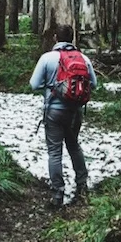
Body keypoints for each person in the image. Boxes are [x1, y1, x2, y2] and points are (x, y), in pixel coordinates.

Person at [29, 24, 97, 208]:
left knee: (54, 152)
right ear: (72, 38)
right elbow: (94, 84)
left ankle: (58, 194)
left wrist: (51, 86)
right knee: (74, 146)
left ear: (55, 38)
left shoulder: (47, 58)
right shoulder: (83, 58)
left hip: (54, 111)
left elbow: (33, 84)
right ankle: (82, 185)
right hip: (75, 111)